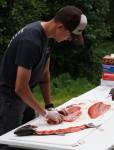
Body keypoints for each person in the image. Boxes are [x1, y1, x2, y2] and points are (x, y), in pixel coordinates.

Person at [0, 5, 87, 150]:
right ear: (60, 26)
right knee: (9, 143)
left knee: (29, 140)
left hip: (24, 96)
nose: (68, 39)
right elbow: (20, 87)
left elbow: (45, 75)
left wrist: (49, 106)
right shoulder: (31, 41)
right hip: (7, 99)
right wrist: (45, 114)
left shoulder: (48, 37)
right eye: (69, 36)